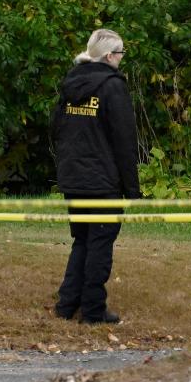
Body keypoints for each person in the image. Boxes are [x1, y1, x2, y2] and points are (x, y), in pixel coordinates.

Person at [51, 29, 140, 324]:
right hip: (102, 181)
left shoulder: (71, 82)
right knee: (100, 242)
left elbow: (56, 129)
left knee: (82, 240)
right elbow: (125, 141)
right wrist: (132, 189)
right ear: (110, 56)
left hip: (74, 178)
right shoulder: (113, 88)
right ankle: (92, 309)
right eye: (121, 54)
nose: (121, 59)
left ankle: (66, 305)